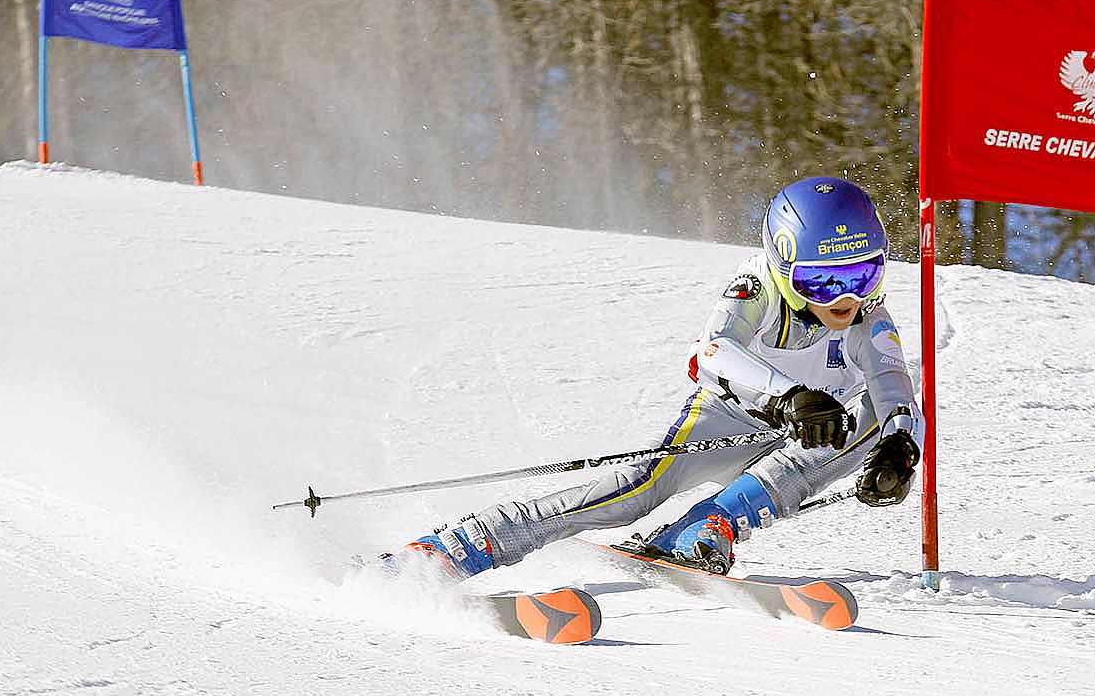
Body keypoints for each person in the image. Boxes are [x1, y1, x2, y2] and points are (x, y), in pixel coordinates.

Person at [389, 175, 923, 581]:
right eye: (822, 281)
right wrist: (788, 396)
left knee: (877, 418)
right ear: (783, 267)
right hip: (728, 416)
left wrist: (902, 452)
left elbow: (895, 383)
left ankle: (710, 526)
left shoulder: (869, 317)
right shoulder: (756, 289)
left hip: (810, 436)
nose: (846, 298)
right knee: (632, 492)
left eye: (863, 273)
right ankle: (459, 547)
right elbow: (713, 351)